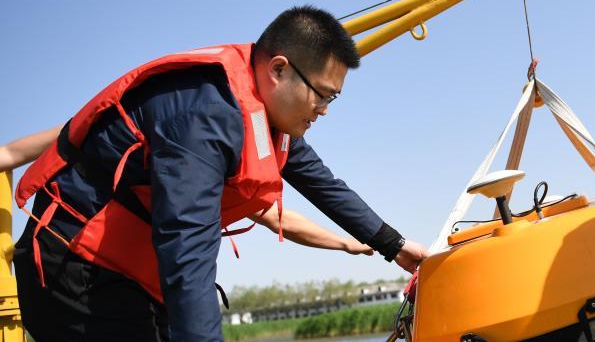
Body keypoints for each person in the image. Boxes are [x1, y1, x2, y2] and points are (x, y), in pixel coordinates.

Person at [11, 6, 429, 342]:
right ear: (278, 70)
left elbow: (324, 185)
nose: (325, 111)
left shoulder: (267, 117)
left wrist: (395, 246)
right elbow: (186, 253)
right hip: (73, 274)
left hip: (131, 282)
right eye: (323, 96)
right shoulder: (201, 117)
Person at [1, 125, 376, 256]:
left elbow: (278, 218)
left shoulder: (231, 155)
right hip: (87, 257)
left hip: (158, 277)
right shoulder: (159, 116)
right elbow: (48, 140)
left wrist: (346, 243)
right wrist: (6, 155)